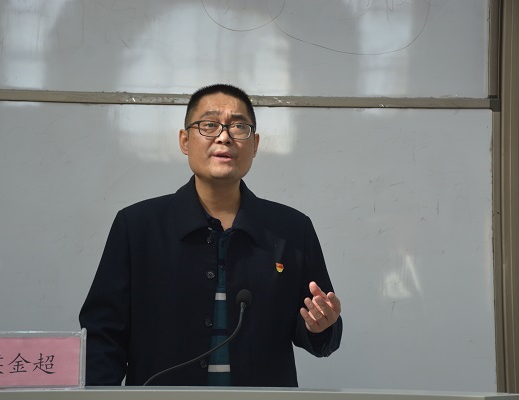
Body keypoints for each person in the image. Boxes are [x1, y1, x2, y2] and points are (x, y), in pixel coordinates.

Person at [79, 84, 342, 387]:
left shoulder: (291, 230)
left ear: (255, 145)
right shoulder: (137, 227)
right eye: (209, 125)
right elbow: (102, 336)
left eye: (239, 127)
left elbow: (319, 332)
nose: (224, 136)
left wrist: (321, 325)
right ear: (185, 140)